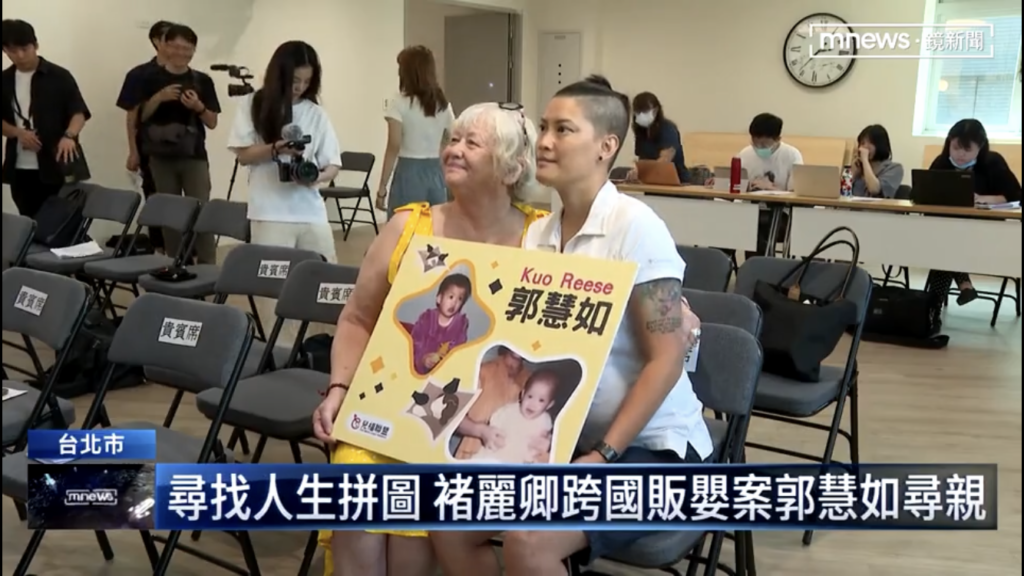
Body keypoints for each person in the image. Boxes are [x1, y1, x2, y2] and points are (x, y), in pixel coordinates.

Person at [430, 75, 707, 576]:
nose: (545, 141)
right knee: (448, 520)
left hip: (652, 450)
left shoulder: (636, 226)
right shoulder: (539, 233)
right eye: (542, 127)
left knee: (529, 541)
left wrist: (604, 454)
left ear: (606, 146)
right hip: (565, 441)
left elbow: (667, 358)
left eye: (563, 129)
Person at [311, 101, 549, 576]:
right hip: (390, 403)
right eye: (452, 139)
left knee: (410, 544)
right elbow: (358, 318)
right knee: (355, 506)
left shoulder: (541, 236)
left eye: (471, 143)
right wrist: (339, 388)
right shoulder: (409, 224)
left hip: (478, 421)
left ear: (511, 166)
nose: (453, 150)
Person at [229, 41, 342, 338]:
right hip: (269, 213)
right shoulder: (254, 104)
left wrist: (315, 176)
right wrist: (275, 149)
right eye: (294, 81)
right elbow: (243, 155)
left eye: (307, 81)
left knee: (327, 282)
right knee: (273, 292)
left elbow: (332, 164)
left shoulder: (316, 113)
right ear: (279, 75)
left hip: (311, 213)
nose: (300, 88)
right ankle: (281, 354)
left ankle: (325, 346)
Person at [131, 24, 220, 264]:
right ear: (164, 45)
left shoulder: (202, 80)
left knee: (201, 210)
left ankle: (208, 267)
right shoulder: (147, 78)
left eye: (187, 48)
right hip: (159, 157)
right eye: (176, 46)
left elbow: (212, 122)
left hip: (194, 156)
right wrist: (158, 99)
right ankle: (175, 264)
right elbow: (139, 118)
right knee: (169, 214)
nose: (181, 53)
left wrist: (197, 107)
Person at [925, 119, 1022, 306]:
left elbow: (1017, 195)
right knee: (946, 242)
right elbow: (921, 193)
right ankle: (962, 287)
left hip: (985, 233)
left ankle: (932, 309)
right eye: (955, 148)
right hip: (947, 232)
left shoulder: (993, 163)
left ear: (980, 147)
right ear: (948, 144)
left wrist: (989, 198)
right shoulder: (942, 162)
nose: (960, 154)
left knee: (944, 247)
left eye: (967, 150)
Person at [1, 19, 90, 218]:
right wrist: (18, 133)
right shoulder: (4, 80)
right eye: (13, 51)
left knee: (61, 223)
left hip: (57, 163)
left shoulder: (59, 76)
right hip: (20, 167)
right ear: (5, 50)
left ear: (36, 45)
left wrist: (69, 135)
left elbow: (79, 112)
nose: (20, 55)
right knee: (28, 222)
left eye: (25, 48)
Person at [376, 45, 454, 217]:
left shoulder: (399, 102)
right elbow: (451, 136)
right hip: (435, 171)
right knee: (433, 227)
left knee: (404, 228)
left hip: (408, 172)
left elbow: (393, 146)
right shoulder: (442, 104)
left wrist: (382, 187)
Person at [117, 20, 174, 252]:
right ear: (156, 42)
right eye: (169, 40)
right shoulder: (139, 75)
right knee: (156, 199)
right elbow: (133, 116)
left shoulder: (190, 74)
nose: (176, 47)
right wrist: (133, 150)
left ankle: (189, 253)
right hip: (151, 148)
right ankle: (160, 251)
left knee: (190, 203)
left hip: (187, 149)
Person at [738, 112, 803, 258]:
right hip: (747, 211)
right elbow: (737, 185)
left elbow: (796, 194)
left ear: (778, 139)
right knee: (724, 225)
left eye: (764, 144)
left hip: (781, 215)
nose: (758, 147)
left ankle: (761, 270)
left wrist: (770, 188)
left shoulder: (792, 155)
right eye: (755, 142)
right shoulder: (745, 154)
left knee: (758, 227)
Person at [452, 346, 529, 460]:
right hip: (471, 456)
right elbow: (449, 414)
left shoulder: (531, 380)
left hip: (509, 460)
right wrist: (481, 431)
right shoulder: (482, 370)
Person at [469, 371, 558, 464]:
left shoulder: (544, 421)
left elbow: (544, 445)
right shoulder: (509, 410)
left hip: (518, 462)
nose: (533, 404)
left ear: (549, 405)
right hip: (495, 455)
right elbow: (494, 423)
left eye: (541, 400)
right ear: (523, 394)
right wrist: (495, 436)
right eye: (530, 396)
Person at [410, 272, 471, 374]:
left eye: (459, 299)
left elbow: (458, 349)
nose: (454, 303)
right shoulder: (427, 318)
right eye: (451, 297)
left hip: (443, 372)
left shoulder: (460, 324)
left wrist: (444, 360)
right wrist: (422, 359)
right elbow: (415, 342)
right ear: (439, 298)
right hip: (421, 366)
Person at [626, 91, 687, 182]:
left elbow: (665, 160)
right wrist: (635, 172)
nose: (641, 114)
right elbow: (642, 160)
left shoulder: (668, 129)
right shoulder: (641, 132)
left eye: (645, 111)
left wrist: (644, 172)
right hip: (652, 183)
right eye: (638, 111)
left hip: (678, 184)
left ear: (656, 110)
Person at [850, 124, 904, 199]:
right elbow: (844, 192)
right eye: (862, 143)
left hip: (877, 210)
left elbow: (874, 189)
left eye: (870, 143)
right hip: (852, 209)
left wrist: (865, 161)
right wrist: (853, 174)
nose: (864, 147)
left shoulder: (895, 168)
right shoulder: (859, 168)